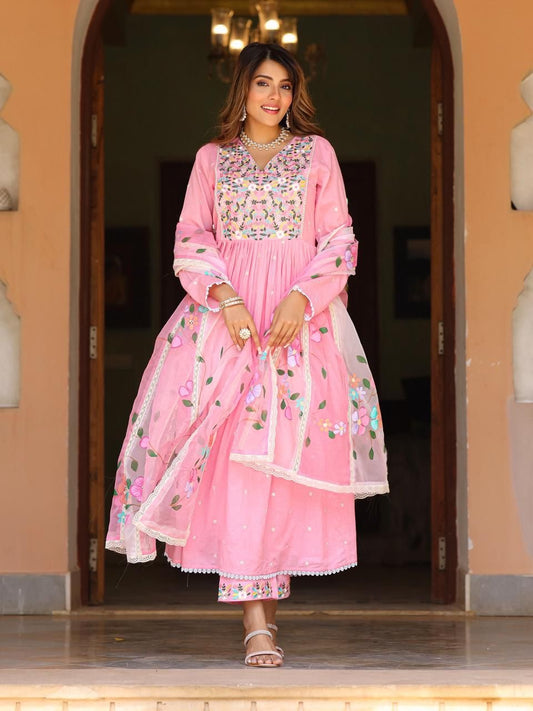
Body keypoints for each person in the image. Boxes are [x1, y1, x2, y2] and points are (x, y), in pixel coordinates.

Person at [106, 42, 389, 667]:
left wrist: (300, 299)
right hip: (225, 327)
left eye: (285, 86)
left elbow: (340, 238)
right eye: (263, 83)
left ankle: (265, 613)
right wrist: (227, 297)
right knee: (231, 460)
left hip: (298, 326)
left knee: (279, 462)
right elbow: (191, 236)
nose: (275, 97)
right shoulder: (213, 160)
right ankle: (255, 624)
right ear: (242, 89)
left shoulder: (317, 155)